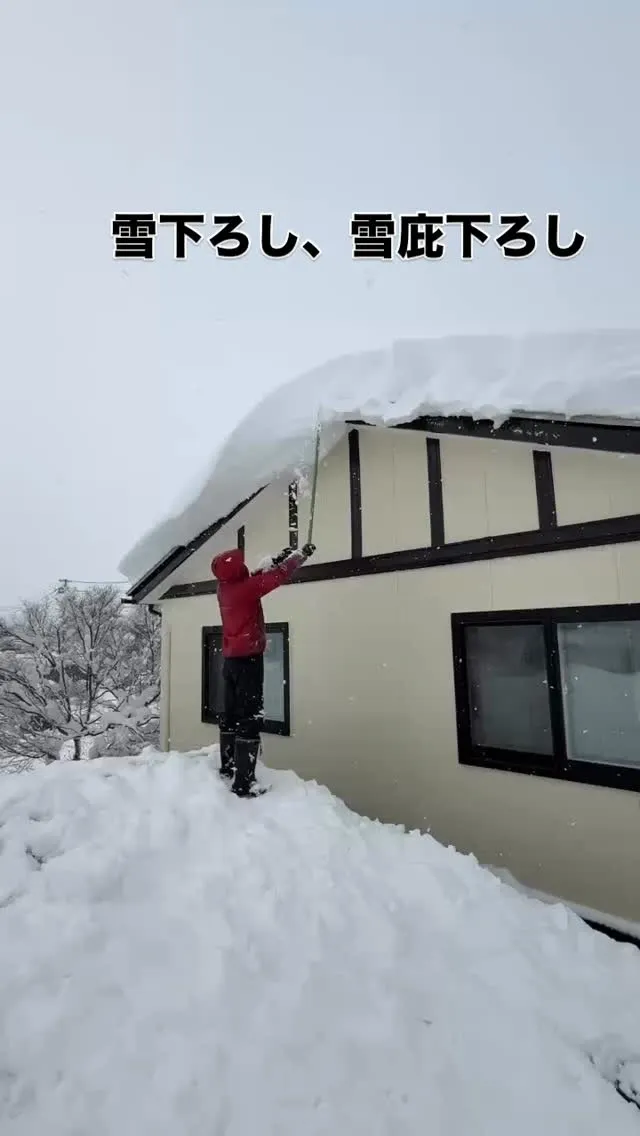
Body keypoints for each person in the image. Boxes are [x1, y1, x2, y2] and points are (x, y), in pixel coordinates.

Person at [211, 541, 316, 796]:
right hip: (248, 661)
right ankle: (244, 783)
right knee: (250, 717)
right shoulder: (244, 590)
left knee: (232, 714)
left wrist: (280, 557)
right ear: (236, 571)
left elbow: (256, 579)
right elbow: (275, 578)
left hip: (232, 661)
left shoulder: (225, 588)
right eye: (240, 565)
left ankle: (228, 767)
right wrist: (297, 558)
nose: (245, 566)